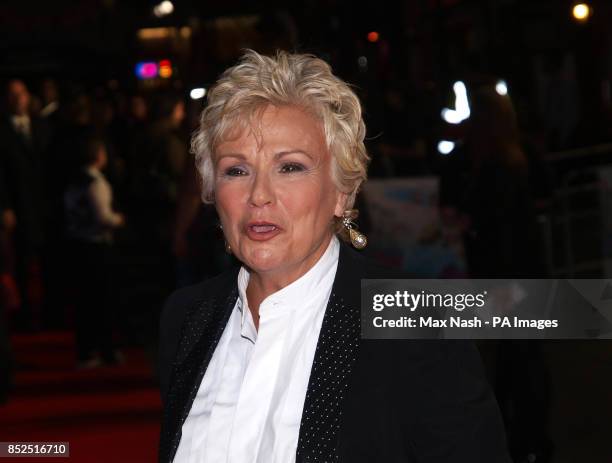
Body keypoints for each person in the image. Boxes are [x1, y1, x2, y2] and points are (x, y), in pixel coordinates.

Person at [158, 50, 510, 463]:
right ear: (213, 190)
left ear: (342, 191)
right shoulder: (186, 318)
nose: (258, 195)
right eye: (237, 170)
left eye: (290, 167)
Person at [64, 136, 125, 368]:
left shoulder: (73, 182)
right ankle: (105, 348)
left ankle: (86, 350)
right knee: (102, 300)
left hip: (77, 244)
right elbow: (103, 218)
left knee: (84, 301)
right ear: (99, 156)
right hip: (97, 246)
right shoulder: (96, 183)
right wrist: (119, 220)